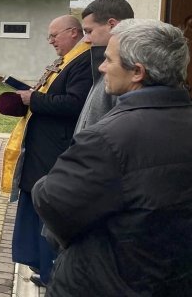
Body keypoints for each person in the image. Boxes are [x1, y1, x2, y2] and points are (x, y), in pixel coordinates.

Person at [32, 19, 192, 296]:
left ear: (137, 72)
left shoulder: (108, 138)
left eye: (108, 60)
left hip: (105, 280)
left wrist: (42, 183)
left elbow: (53, 201)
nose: (102, 67)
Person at [2, 15, 92, 287]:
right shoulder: (65, 61)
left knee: (48, 213)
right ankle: (42, 265)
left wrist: (35, 99)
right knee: (34, 208)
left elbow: (75, 104)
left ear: (74, 33)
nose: (50, 40)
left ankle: (53, 272)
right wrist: (28, 96)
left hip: (54, 153)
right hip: (40, 151)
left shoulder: (83, 63)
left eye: (55, 35)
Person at [75, 0, 134, 132]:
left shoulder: (125, 72)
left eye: (89, 31)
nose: (86, 40)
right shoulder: (100, 60)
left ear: (112, 25)